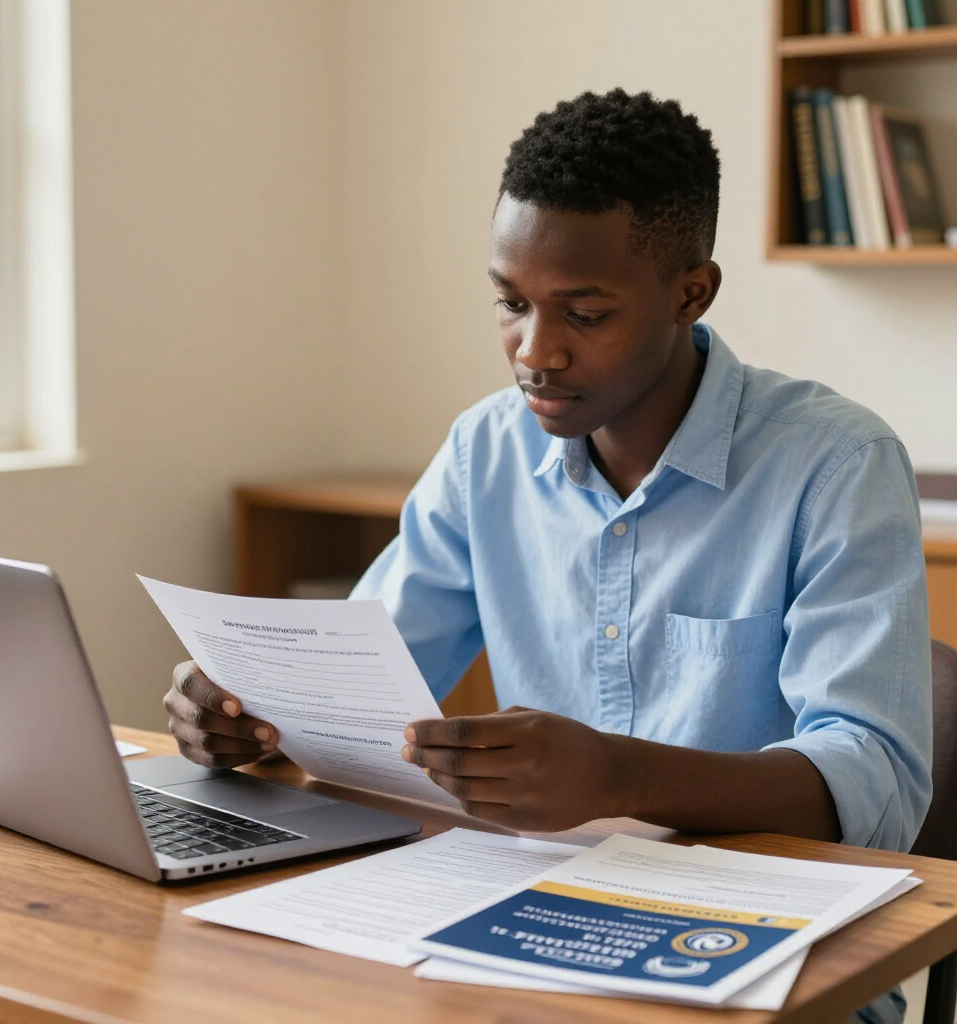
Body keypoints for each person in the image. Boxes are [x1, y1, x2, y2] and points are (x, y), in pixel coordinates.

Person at [163, 89, 930, 1023]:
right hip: (519, 931)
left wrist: (621, 776)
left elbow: (875, 785)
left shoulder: (837, 464)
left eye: (585, 313)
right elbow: (358, 674)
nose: (536, 351)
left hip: (771, 960)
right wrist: (250, 712)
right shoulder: (485, 451)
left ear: (692, 293)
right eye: (510, 303)